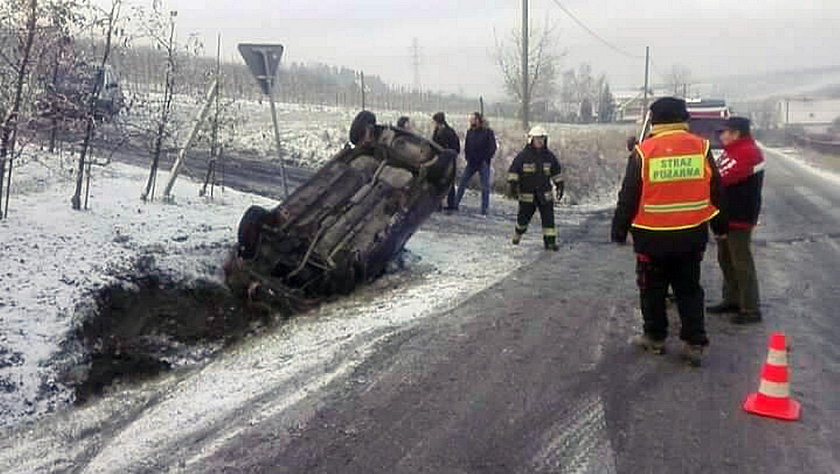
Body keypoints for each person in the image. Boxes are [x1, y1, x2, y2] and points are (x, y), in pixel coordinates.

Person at [611, 97, 727, 367]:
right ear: (683, 118)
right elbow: (716, 190)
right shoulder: (701, 148)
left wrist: (619, 229)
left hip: (652, 236)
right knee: (689, 289)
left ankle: (655, 338)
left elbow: (629, 194)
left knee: (652, 289)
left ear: (655, 120)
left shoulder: (644, 151)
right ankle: (694, 342)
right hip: (691, 235)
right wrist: (720, 227)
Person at [707, 117, 765, 324]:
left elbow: (721, 179)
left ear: (736, 133)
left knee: (741, 261)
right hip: (726, 214)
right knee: (726, 259)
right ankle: (731, 299)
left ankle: (750, 308)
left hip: (739, 214)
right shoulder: (732, 151)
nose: (721, 136)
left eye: (724, 132)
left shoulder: (748, 153)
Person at [507, 125, 564, 251]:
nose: (540, 142)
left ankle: (550, 242)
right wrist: (512, 186)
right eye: (537, 139)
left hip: (545, 194)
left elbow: (556, 172)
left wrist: (560, 185)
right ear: (531, 140)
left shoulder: (549, 156)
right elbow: (514, 171)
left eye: (542, 139)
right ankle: (518, 233)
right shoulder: (523, 156)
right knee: (523, 219)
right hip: (528, 196)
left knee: (549, 219)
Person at [454, 112, 496, 216]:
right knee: (462, 182)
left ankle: (484, 209)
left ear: (478, 120)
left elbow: (492, 147)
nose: (471, 121)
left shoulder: (488, 132)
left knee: (485, 187)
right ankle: (455, 204)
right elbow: (467, 146)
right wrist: (468, 157)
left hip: (483, 163)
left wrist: (486, 158)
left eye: (472, 119)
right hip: (471, 162)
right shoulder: (470, 132)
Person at [432, 112, 461, 210]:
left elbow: (456, 147)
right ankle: (438, 204)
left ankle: (451, 204)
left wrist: (449, 154)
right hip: (440, 160)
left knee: (449, 182)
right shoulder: (437, 131)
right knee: (439, 181)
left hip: (448, 160)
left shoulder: (449, 132)